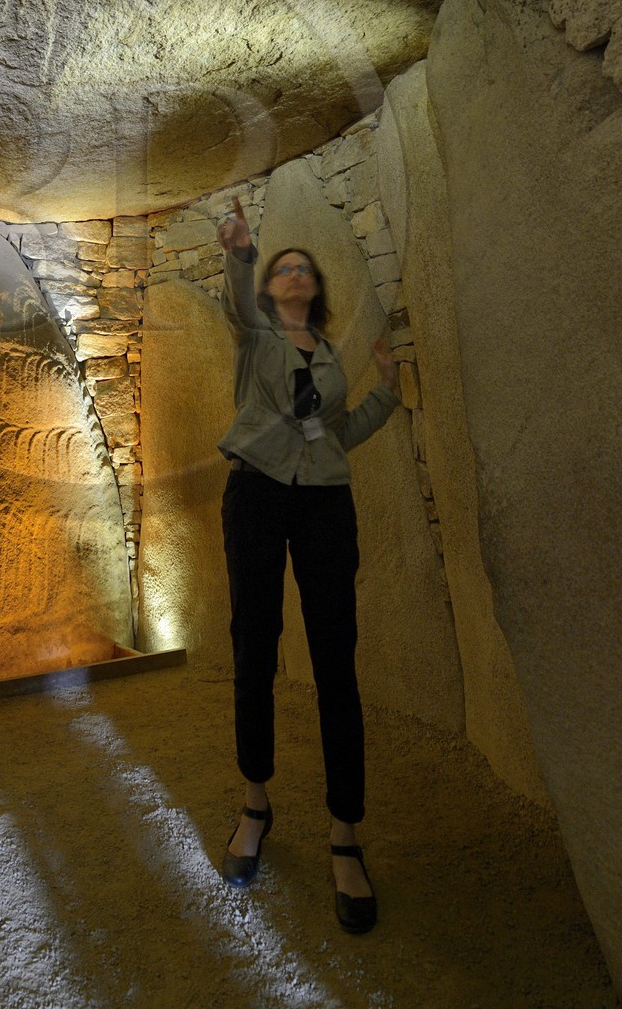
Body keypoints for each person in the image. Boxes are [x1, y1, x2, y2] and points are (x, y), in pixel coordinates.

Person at [215, 195, 400, 933]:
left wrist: (385, 394)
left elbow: (336, 434)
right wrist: (239, 251)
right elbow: (237, 301)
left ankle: (344, 836)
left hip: (323, 504)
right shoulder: (256, 336)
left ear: (316, 290)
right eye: (281, 267)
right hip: (255, 496)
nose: (293, 273)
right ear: (271, 286)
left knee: (335, 664)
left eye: (303, 269)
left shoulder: (327, 361)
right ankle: (254, 805)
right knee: (253, 650)